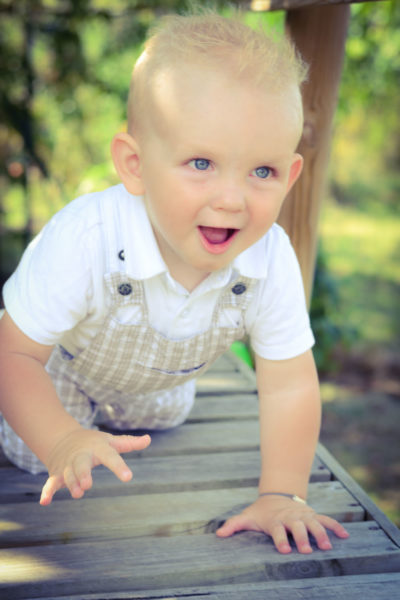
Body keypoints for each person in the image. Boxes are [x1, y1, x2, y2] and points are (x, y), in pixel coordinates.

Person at [0, 11, 349, 555]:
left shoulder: (268, 256)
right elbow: (14, 353)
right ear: (135, 165)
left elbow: (289, 382)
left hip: (163, 388)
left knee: (167, 416)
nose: (232, 199)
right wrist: (63, 438)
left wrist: (284, 493)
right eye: (202, 162)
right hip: (59, 372)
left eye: (262, 172)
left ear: (291, 176)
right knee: (31, 452)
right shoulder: (87, 237)